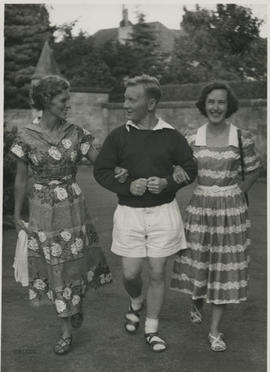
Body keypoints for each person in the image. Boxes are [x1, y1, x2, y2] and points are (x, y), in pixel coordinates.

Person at [11, 75, 114, 355]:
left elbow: (100, 162)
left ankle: (76, 301)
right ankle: (66, 330)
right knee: (54, 266)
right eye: (63, 100)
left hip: (73, 206)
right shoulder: (25, 136)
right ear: (46, 100)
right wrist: (15, 212)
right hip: (43, 209)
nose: (68, 105)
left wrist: (123, 161)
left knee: (76, 262)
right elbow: (21, 178)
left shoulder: (76, 133)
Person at [94, 74, 197, 352]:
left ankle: (152, 329)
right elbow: (101, 171)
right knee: (130, 273)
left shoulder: (172, 137)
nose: (125, 104)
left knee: (157, 271)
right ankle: (136, 300)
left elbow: (190, 169)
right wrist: (128, 186)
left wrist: (168, 182)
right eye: (126, 98)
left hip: (164, 213)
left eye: (132, 99)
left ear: (150, 103)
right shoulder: (118, 136)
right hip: (130, 214)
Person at [170, 81, 261, 352]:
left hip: (231, 210)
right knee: (199, 261)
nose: (216, 107)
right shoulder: (192, 137)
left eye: (221, 102)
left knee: (223, 268)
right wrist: (174, 173)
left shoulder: (241, 137)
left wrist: (238, 192)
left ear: (228, 106)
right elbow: (182, 169)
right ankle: (197, 298)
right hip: (200, 207)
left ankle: (215, 331)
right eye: (211, 102)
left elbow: (255, 169)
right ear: (204, 105)